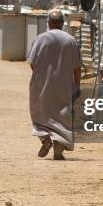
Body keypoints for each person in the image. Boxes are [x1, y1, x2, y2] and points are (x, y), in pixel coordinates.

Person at [27, 10, 81, 160]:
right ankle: (58, 150)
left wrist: (41, 77)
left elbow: (32, 63)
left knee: (39, 114)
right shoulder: (71, 40)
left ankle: (45, 139)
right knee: (63, 116)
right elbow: (77, 68)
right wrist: (77, 85)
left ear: (49, 23)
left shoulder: (40, 39)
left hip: (41, 85)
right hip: (64, 85)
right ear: (62, 24)